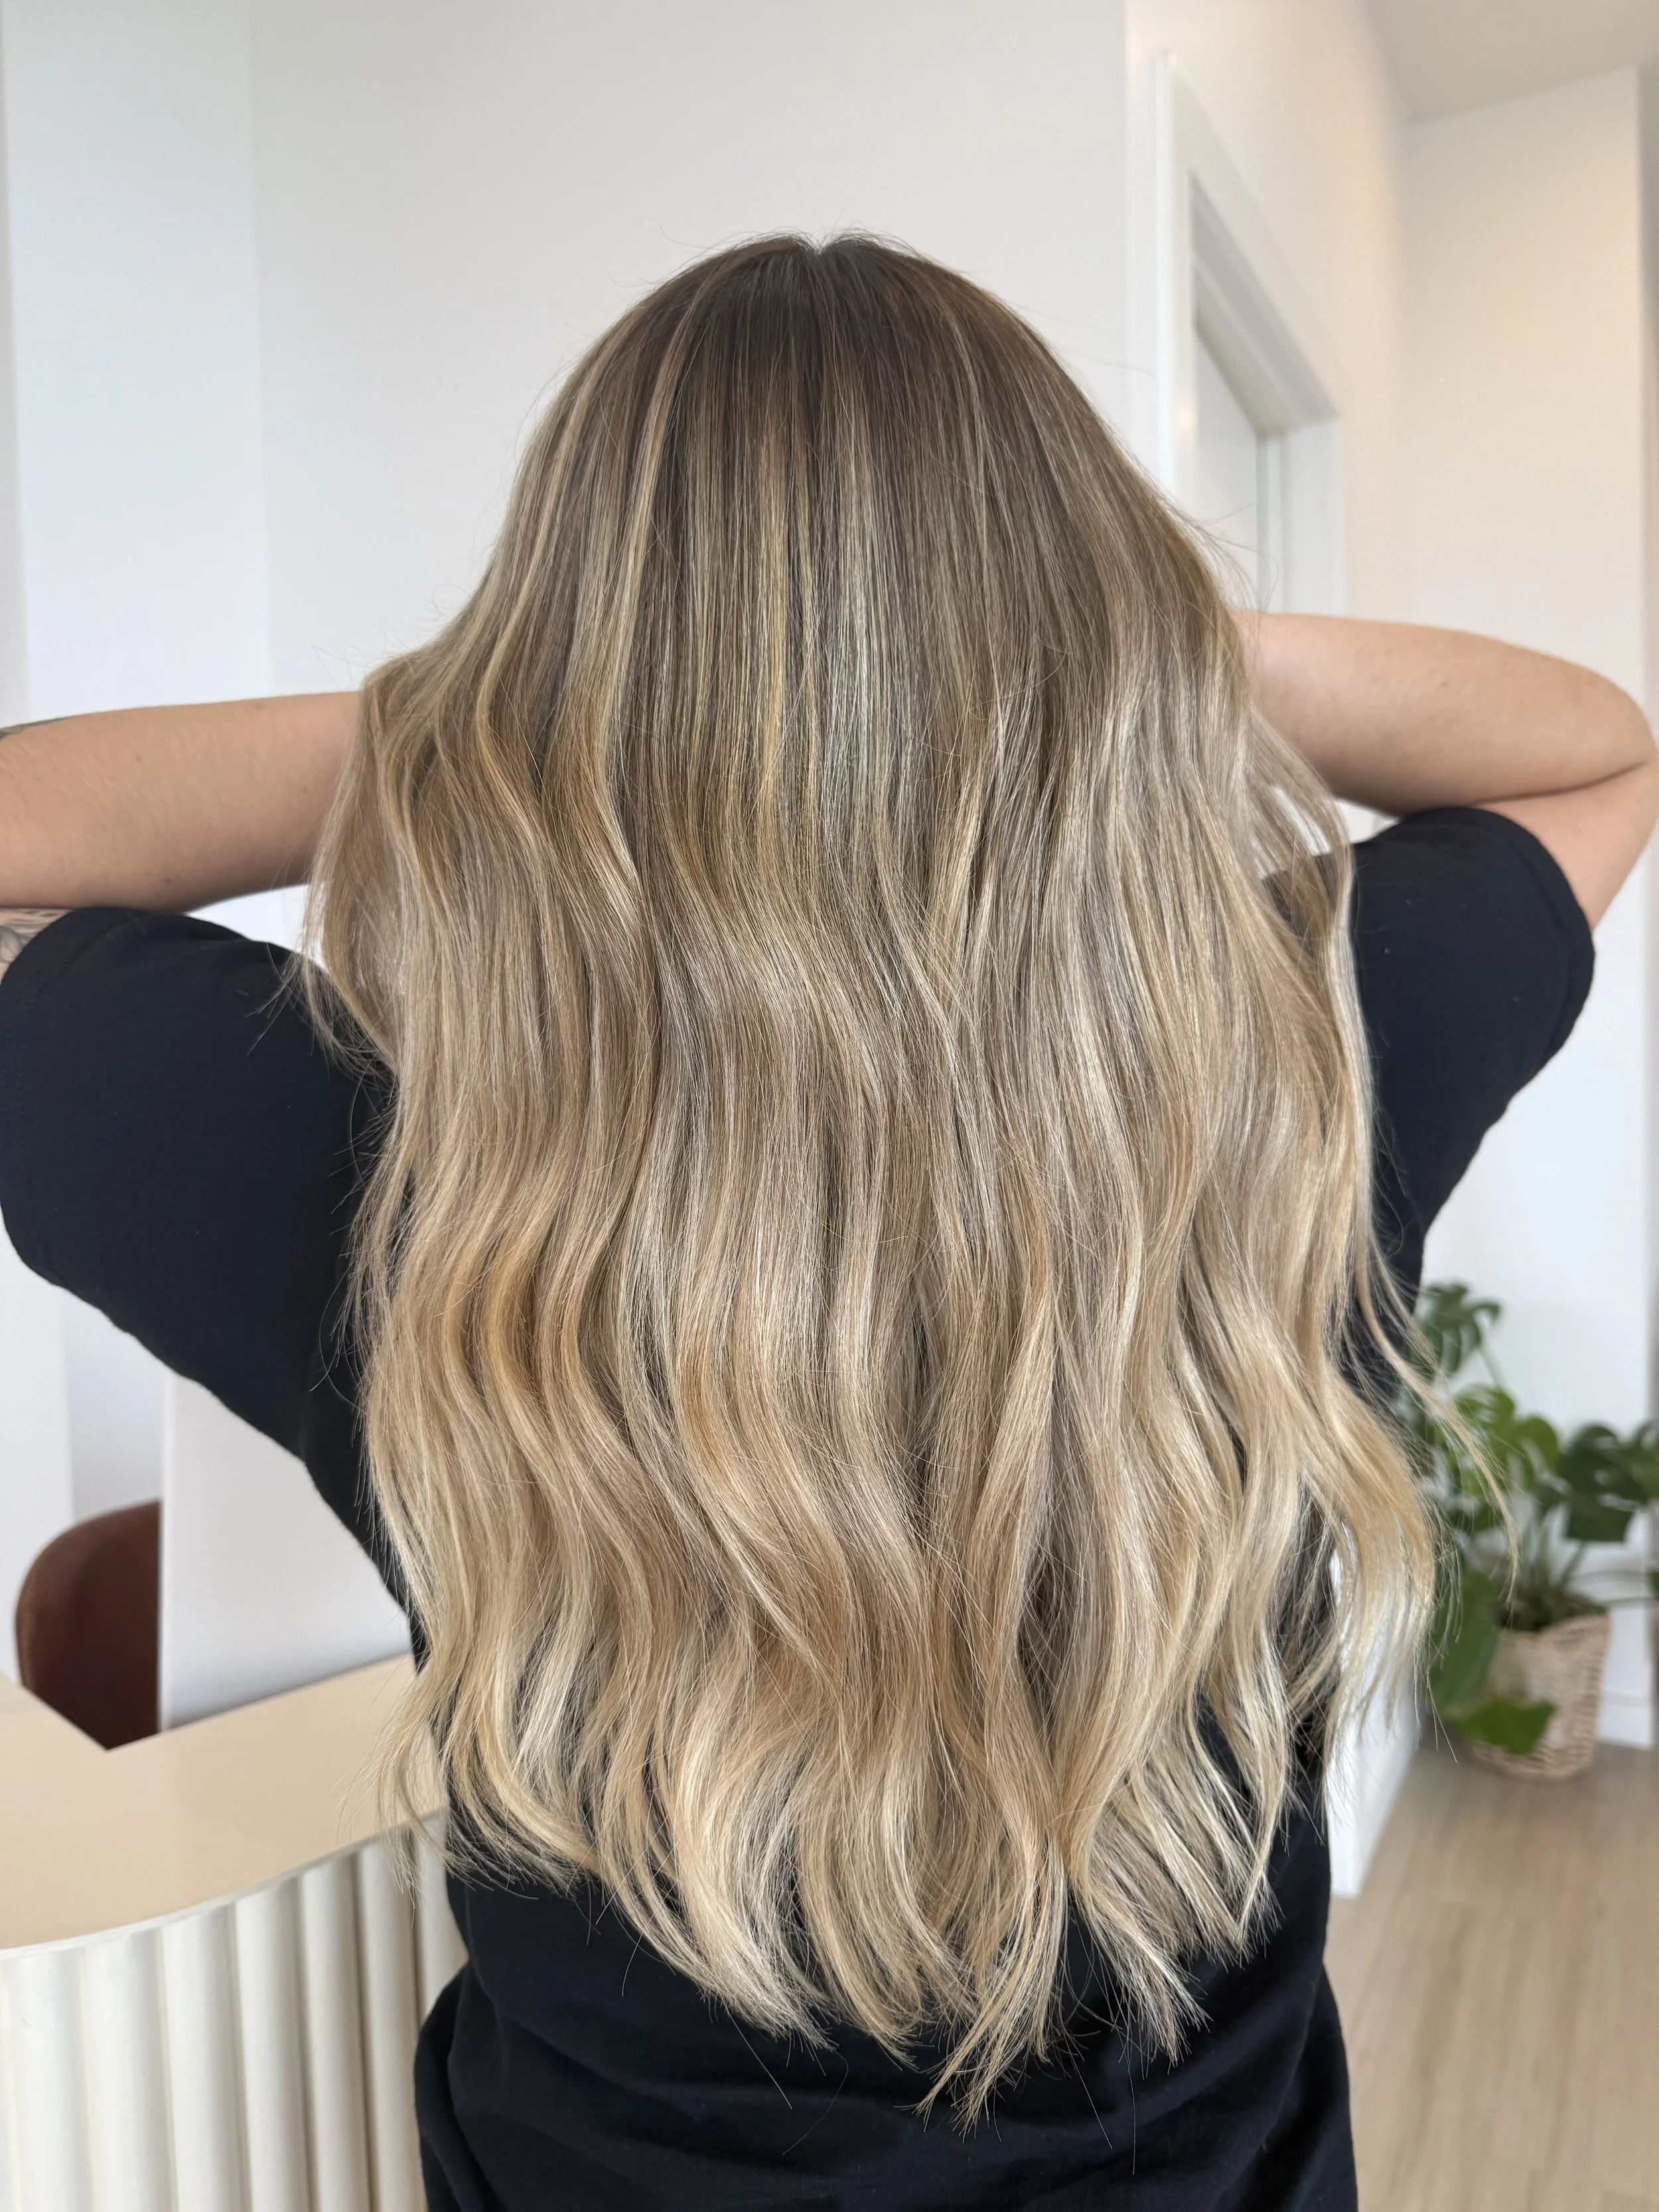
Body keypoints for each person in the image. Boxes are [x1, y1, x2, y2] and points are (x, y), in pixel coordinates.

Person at [0, 234, 1652, 2212]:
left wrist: (516, 724)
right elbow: (1594, 748)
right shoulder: (1293, 1078)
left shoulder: (374, 1176)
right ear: (1095, 627)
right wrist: (1111, 663)